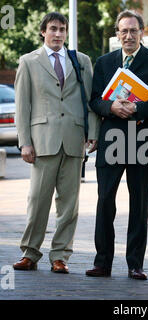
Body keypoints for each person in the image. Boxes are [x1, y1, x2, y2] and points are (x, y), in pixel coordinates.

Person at [12, 12, 100, 274]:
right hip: (42, 142)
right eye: (53, 29)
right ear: (43, 32)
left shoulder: (81, 60)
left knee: (69, 204)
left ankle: (60, 255)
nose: (59, 34)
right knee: (38, 200)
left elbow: (90, 99)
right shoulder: (28, 61)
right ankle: (30, 253)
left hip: (74, 140)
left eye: (62, 29)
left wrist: (93, 131)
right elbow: (22, 105)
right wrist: (24, 142)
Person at [86, 10, 148, 280]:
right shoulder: (104, 62)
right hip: (111, 139)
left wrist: (138, 109)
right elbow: (94, 99)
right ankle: (103, 263)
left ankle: (135, 264)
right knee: (105, 201)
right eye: (124, 31)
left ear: (141, 32)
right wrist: (110, 107)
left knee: (140, 203)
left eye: (134, 31)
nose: (129, 36)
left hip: (142, 138)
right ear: (117, 34)